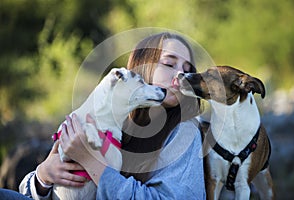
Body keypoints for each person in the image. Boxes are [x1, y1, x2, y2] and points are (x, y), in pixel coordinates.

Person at [19, 32, 206, 199]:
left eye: (188, 70)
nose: (181, 75)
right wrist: (43, 177)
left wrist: (91, 162)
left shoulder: (184, 132)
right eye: (169, 64)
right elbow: (32, 191)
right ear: (140, 69)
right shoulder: (109, 119)